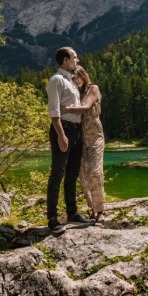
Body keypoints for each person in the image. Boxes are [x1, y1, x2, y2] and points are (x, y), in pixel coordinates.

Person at [46, 47, 94, 234]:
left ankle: (72, 213)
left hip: (76, 130)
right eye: (74, 57)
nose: (77, 60)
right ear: (65, 60)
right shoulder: (56, 80)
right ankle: (52, 218)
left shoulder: (71, 81)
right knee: (57, 173)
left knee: (72, 174)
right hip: (63, 129)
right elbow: (54, 110)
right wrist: (60, 134)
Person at [61, 66, 106, 227]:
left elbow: (86, 107)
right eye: (72, 79)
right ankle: (93, 209)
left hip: (95, 138)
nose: (75, 80)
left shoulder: (93, 89)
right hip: (79, 139)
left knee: (94, 172)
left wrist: (65, 109)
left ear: (83, 76)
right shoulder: (74, 93)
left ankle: (100, 211)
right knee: (83, 176)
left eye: (77, 77)